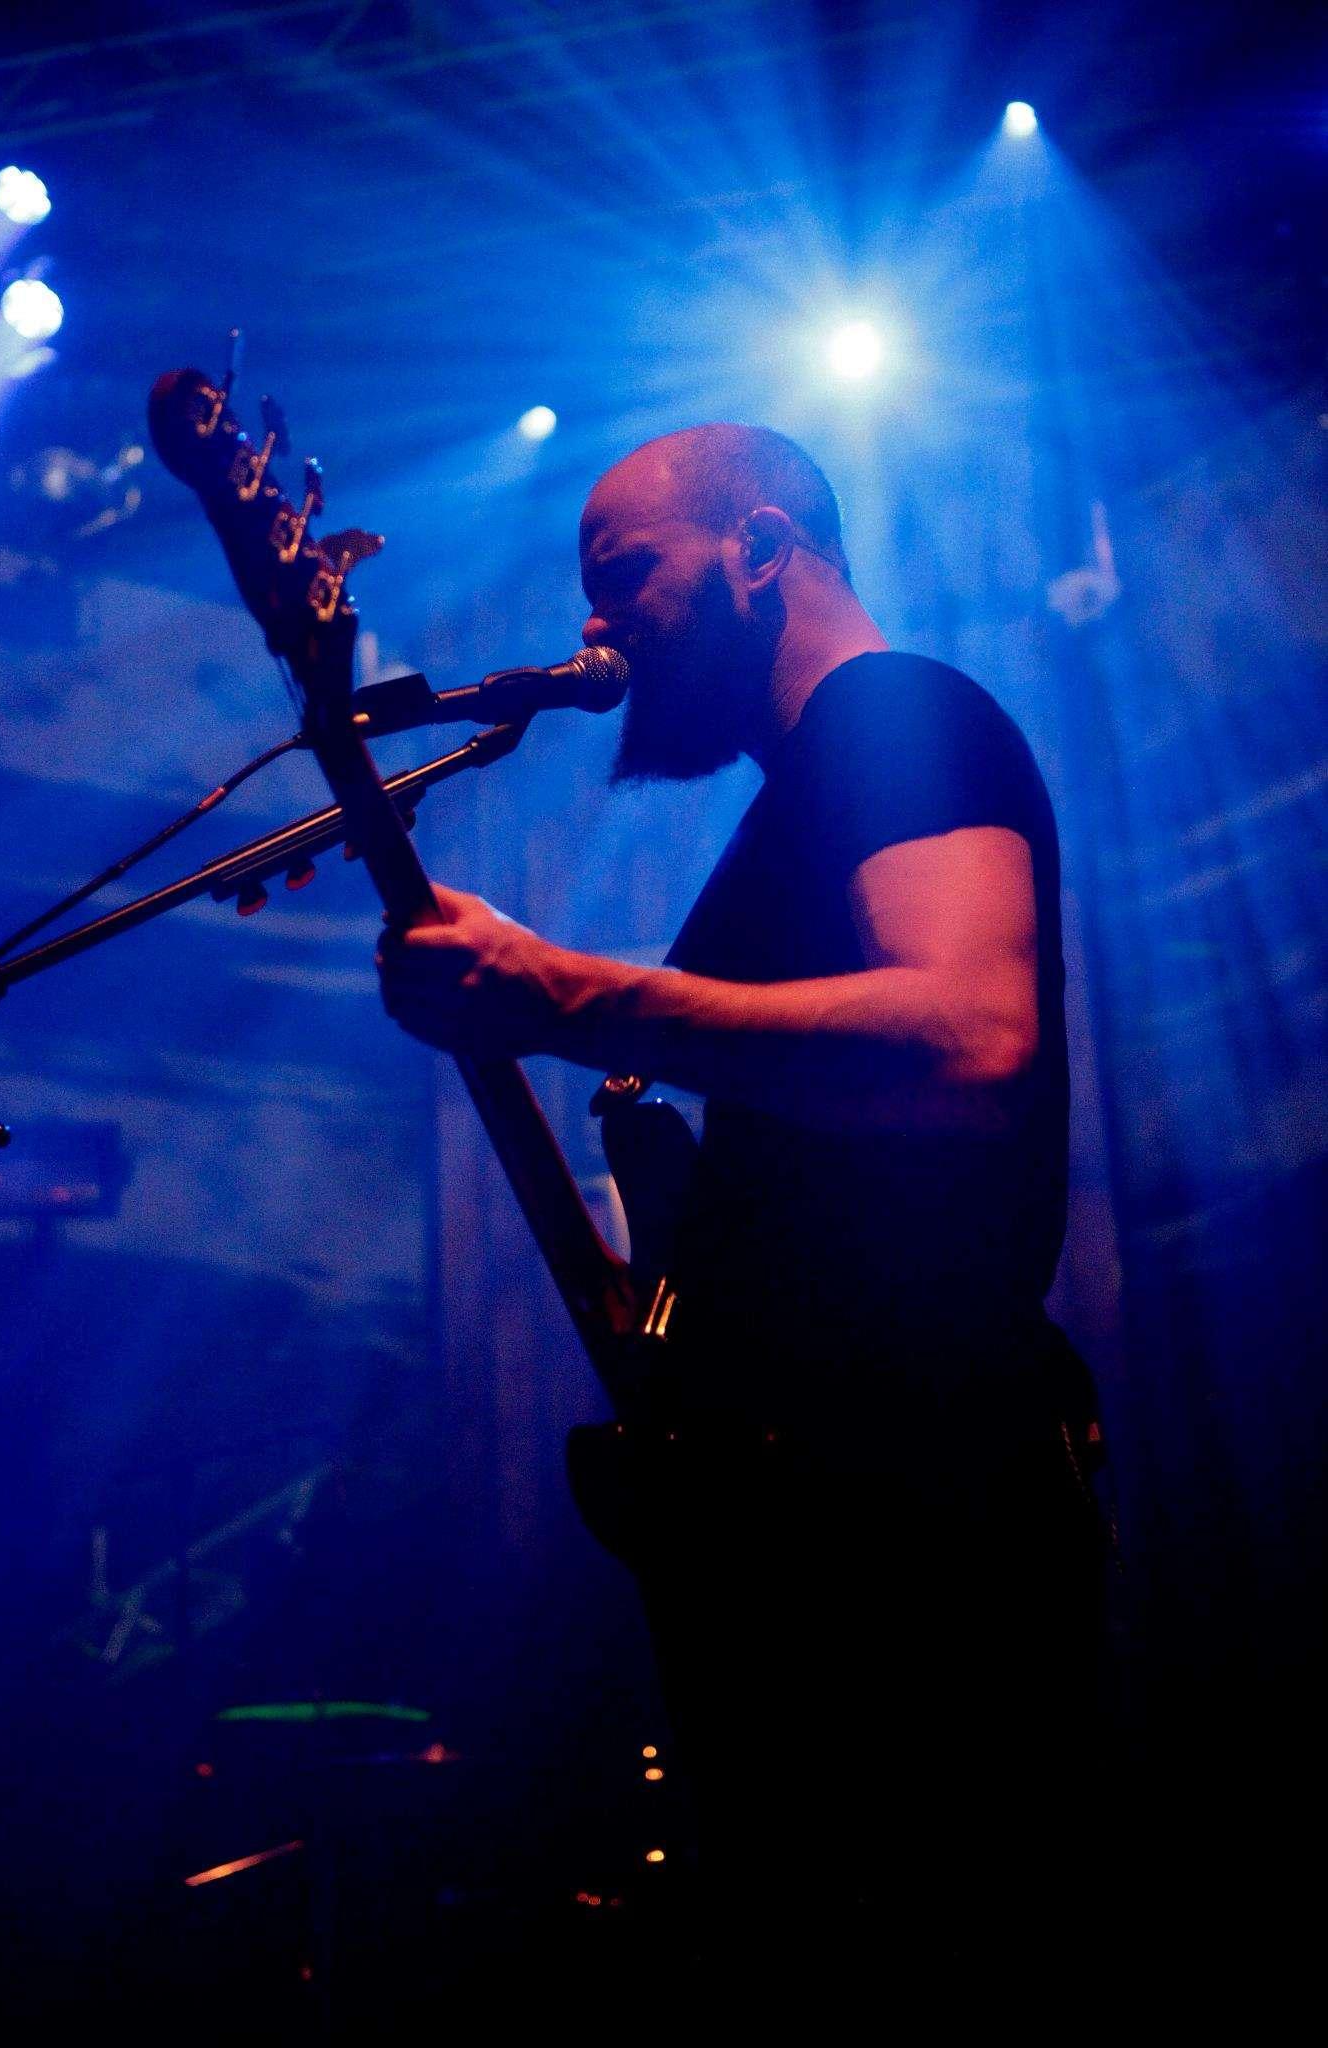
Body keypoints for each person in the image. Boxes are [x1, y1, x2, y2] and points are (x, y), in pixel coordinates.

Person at [377, 424, 1107, 2005]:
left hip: (920, 1536)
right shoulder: (804, 795)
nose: (597, 629)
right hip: (835, 1526)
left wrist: (559, 991)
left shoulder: (895, 714)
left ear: (761, 551)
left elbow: (972, 1040)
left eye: (624, 576)